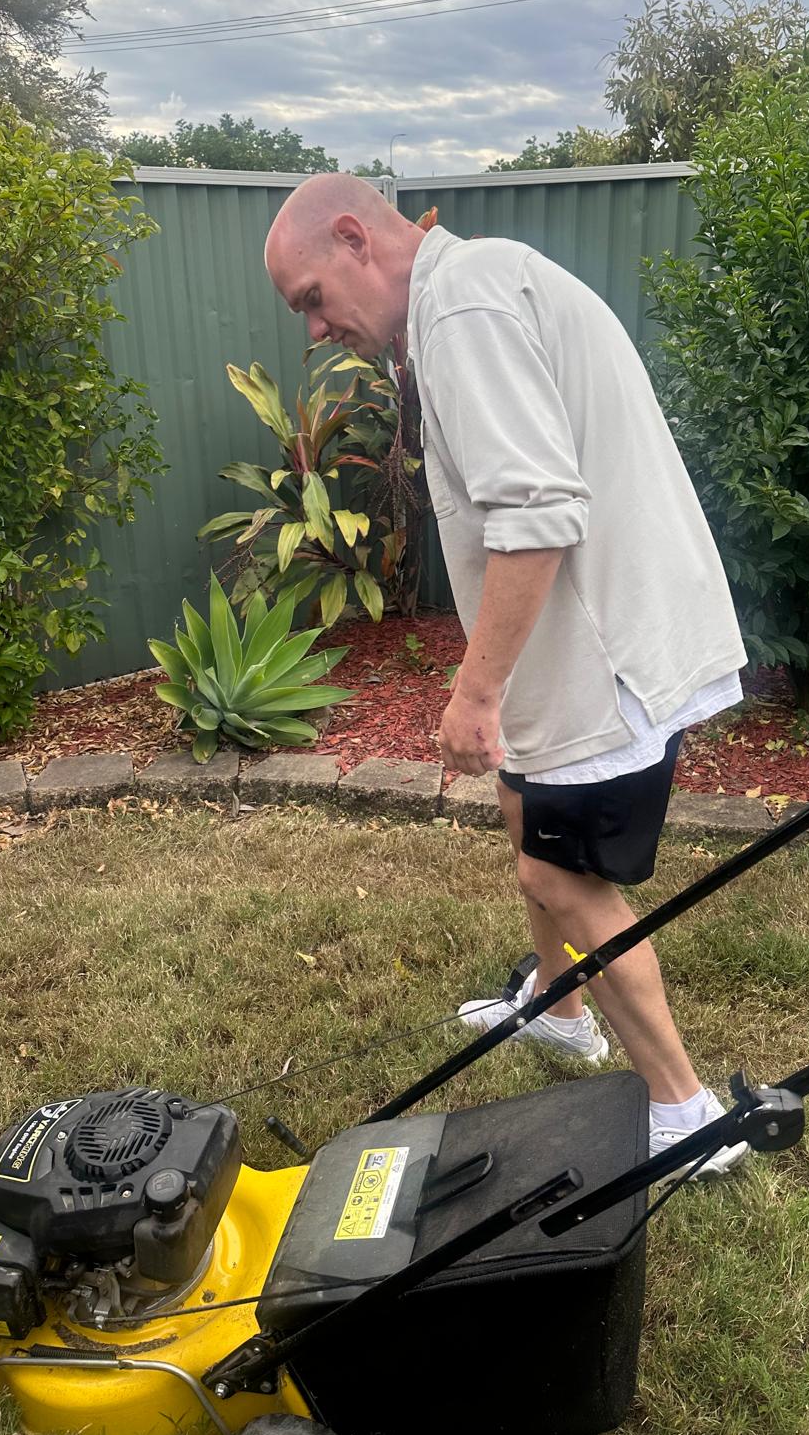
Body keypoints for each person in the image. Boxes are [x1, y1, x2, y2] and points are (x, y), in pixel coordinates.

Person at [265, 174, 749, 1173]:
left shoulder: (467, 305)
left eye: (311, 297)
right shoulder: (458, 298)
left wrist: (475, 690)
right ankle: (562, 1009)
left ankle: (686, 1112)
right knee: (526, 818)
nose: (313, 330)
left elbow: (537, 513)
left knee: (561, 880)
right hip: (569, 645)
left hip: (600, 651)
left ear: (355, 238)